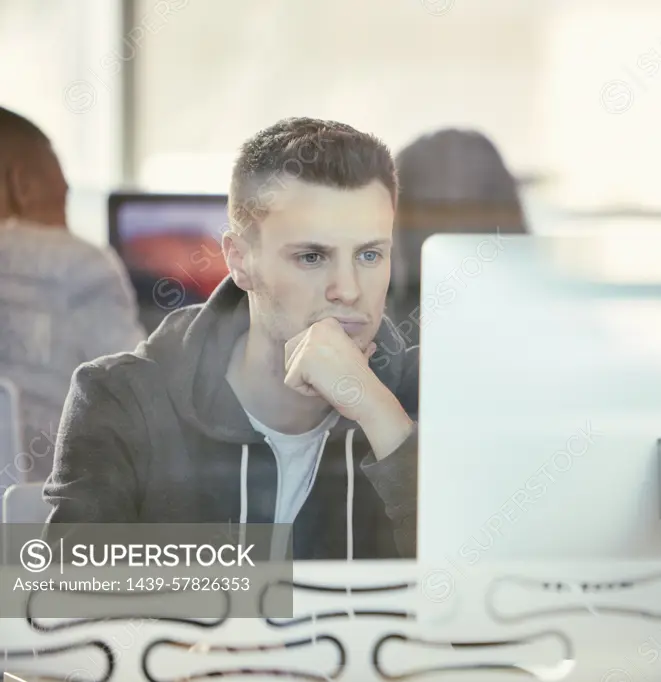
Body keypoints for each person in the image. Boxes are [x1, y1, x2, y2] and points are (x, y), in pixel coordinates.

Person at [44, 117, 418, 560]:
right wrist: (241, 601)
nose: (349, 289)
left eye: (370, 254)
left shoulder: (421, 391)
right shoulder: (123, 398)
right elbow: (65, 599)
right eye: (312, 256)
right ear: (240, 261)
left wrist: (378, 412)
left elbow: (481, 599)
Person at [0, 106, 145, 482]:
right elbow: (141, 398)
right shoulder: (77, 264)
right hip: (43, 522)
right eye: (61, 196)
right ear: (21, 185)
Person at [387, 128, 529, 346]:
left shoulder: (542, 313)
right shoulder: (372, 323)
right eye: (431, 212)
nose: (455, 225)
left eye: (475, 211)